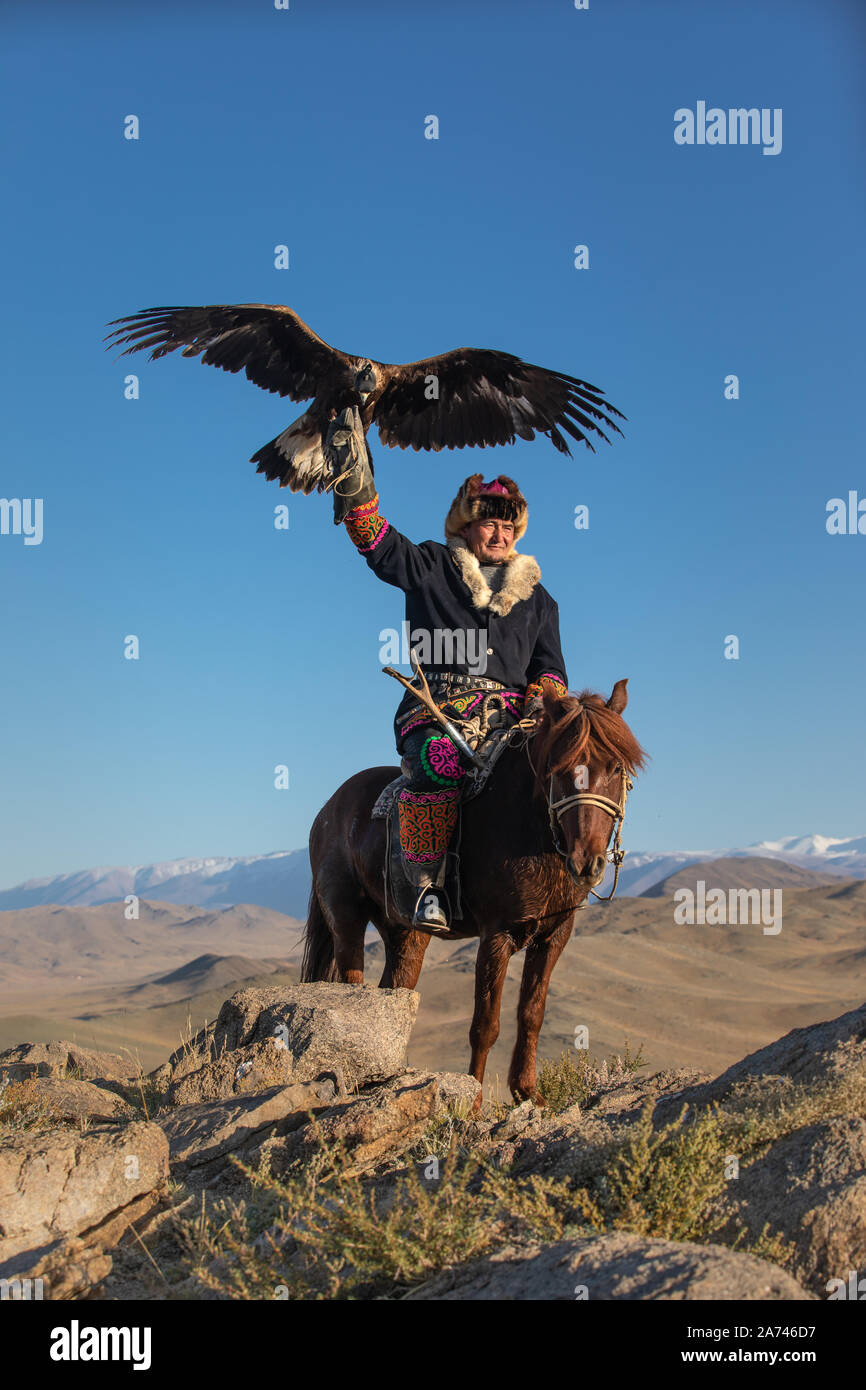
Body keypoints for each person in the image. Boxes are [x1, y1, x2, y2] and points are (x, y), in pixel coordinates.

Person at [329, 409, 568, 932]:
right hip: (437, 709)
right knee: (440, 763)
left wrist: (539, 702)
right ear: (467, 524)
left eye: (509, 525)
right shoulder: (432, 565)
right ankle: (428, 889)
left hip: (512, 720)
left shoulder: (540, 600)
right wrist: (355, 478)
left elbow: (551, 670)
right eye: (490, 523)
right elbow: (379, 547)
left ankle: (556, 885)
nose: (500, 534)